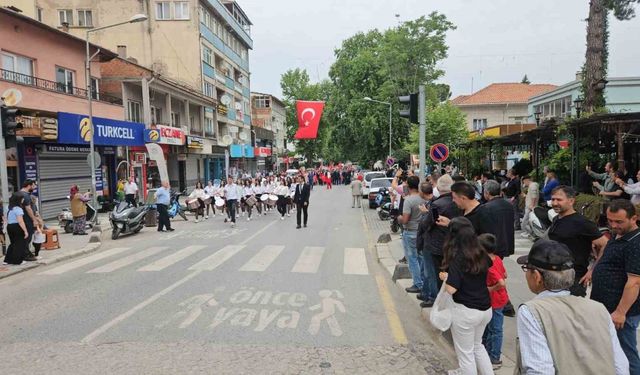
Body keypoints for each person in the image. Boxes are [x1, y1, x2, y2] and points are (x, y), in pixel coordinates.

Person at [516, 239, 628, 374]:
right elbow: (620, 365)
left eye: (527, 269)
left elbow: (540, 370)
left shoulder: (532, 311)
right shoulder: (598, 308)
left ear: (537, 276)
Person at [439, 217, 493, 375]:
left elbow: (451, 289)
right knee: (478, 347)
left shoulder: (458, 257)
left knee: (466, 354)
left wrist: (445, 277)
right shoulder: (481, 252)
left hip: (466, 312)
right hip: (485, 309)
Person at [591, 199, 640, 374]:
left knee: (626, 353)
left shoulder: (636, 242)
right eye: (610, 221)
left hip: (620, 313)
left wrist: (621, 312)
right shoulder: (618, 234)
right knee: (609, 351)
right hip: (605, 307)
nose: (613, 225)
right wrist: (593, 271)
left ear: (634, 218)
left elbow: (634, 281)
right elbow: (606, 255)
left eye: (619, 221)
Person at [547, 185, 608, 296]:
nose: (555, 203)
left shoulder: (582, 223)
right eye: (553, 199)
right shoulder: (556, 219)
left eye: (559, 199)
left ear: (571, 201)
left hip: (574, 279)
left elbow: (605, 245)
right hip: (554, 275)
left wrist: (592, 271)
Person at [417, 174, 460, 307]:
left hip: (435, 243)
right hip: (452, 243)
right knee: (447, 273)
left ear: (438, 188)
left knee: (433, 273)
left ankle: (434, 298)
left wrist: (425, 214)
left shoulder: (437, 204)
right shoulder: (457, 203)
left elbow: (426, 224)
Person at [478, 234, 508, 369]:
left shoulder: (489, 265)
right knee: (490, 328)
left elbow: (501, 282)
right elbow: (505, 274)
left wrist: (489, 288)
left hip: (495, 300)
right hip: (500, 298)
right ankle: (488, 352)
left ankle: (494, 358)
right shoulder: (497, 259)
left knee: (495, 329)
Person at [397, 176, 426, 294]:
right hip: (421, 232)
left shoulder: (408, 200)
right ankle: (423, 282)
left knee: (412, 259)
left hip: (410, 232)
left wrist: (399, 218)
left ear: (408, 186)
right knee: (421, 258)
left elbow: (405, 219)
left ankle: (418, 283)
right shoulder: (423, 198)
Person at [415, 182, 438, 307]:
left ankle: (432, 296)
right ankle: (425, 292)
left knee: (430, 272)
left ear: (423, 193)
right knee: (425, 270)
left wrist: (425, 213)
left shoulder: (434, 204)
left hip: (430, 243)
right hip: (426, 242)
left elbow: (428, 224)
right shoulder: (431, 203)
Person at [3, 192, 36, 264]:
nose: (23, 200)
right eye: (22, 198)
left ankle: (7, 260)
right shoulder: (18, 209)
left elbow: (5, 218)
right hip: (17, 227)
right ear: (18, 200)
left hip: (10, 226)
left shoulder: (8, 207)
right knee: (19, 244)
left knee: (13, 243)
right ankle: (17, 261)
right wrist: (25, 231)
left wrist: (5, 227)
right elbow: (20, 221)